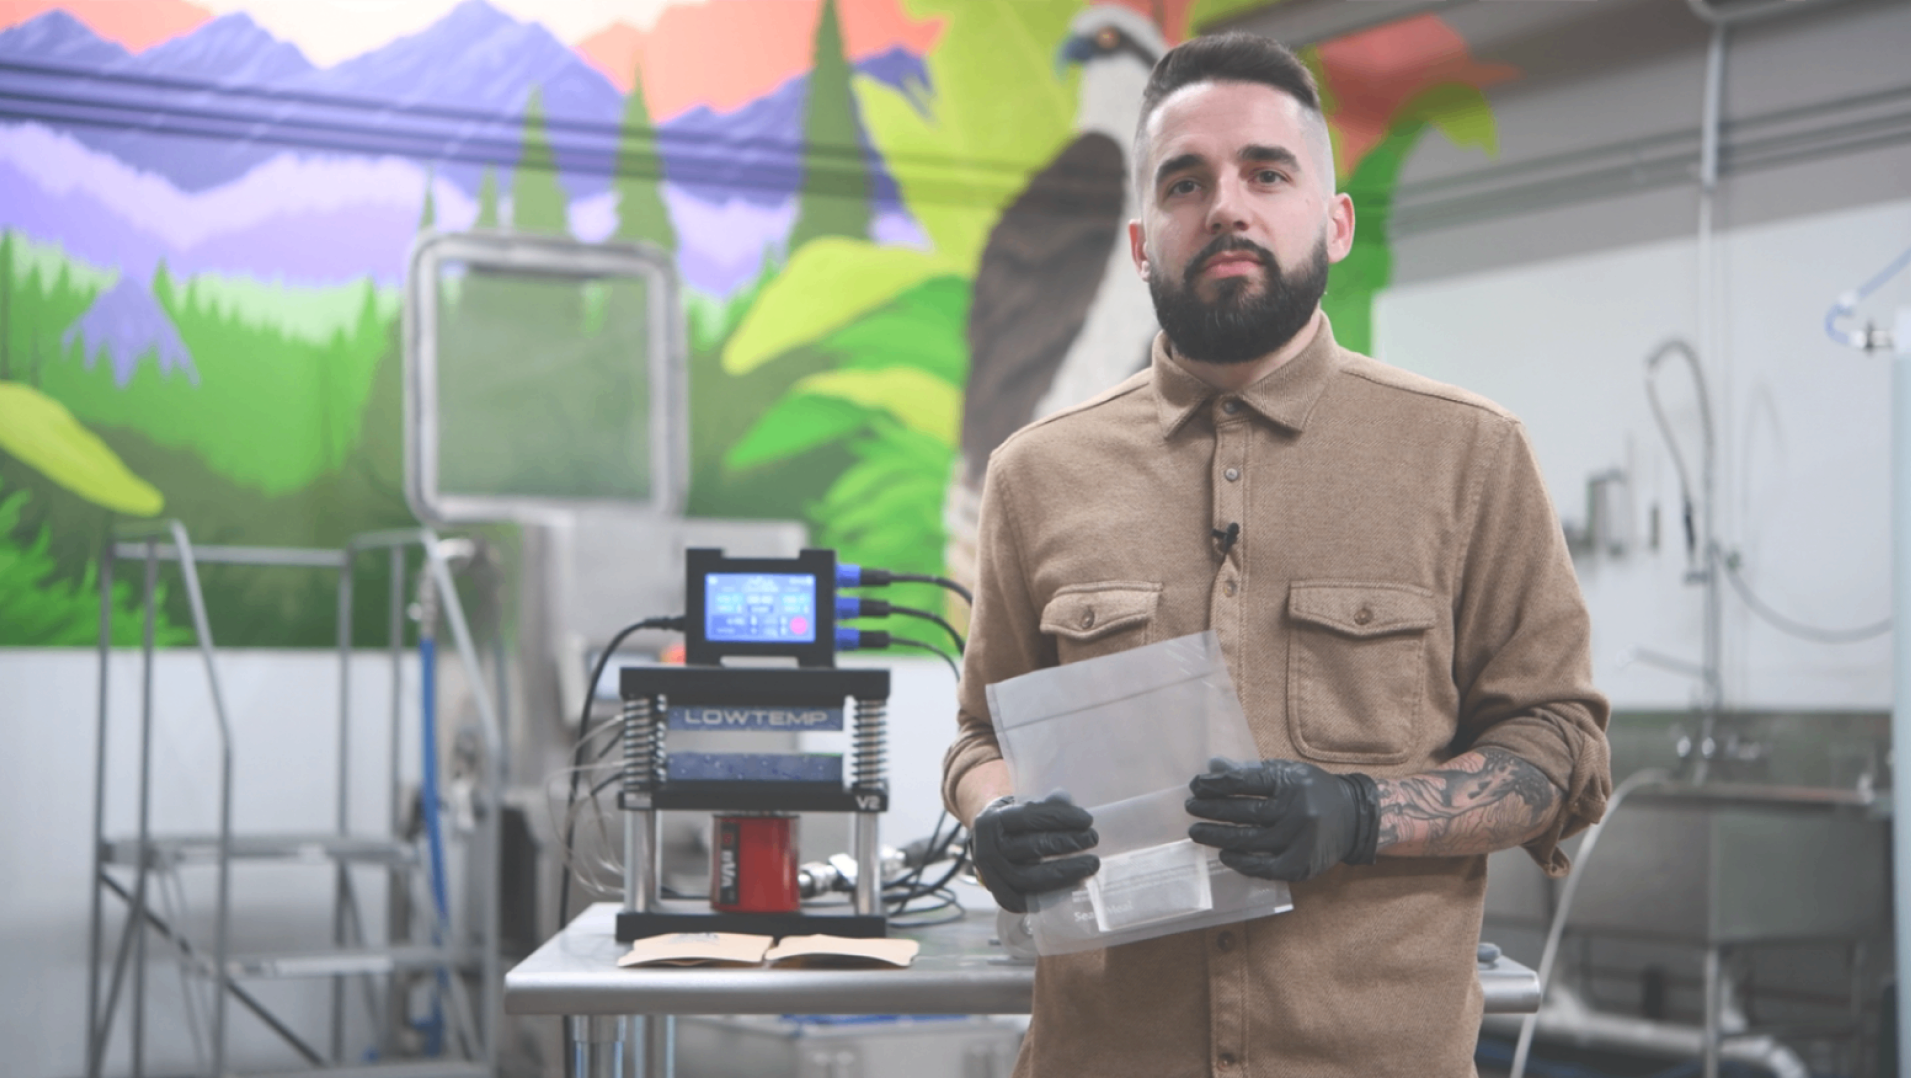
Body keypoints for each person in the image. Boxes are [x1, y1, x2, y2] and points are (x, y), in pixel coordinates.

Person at [942, 31, 1612, 1077]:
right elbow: (981, 730)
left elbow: (1557, 746)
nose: (1226, 206)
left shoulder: (1469, 455)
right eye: (1185, 181)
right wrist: (992, 817)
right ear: (1139, 241)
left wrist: (1361, 813)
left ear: (1335, 223)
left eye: (1267, 171)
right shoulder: (1036, 473)